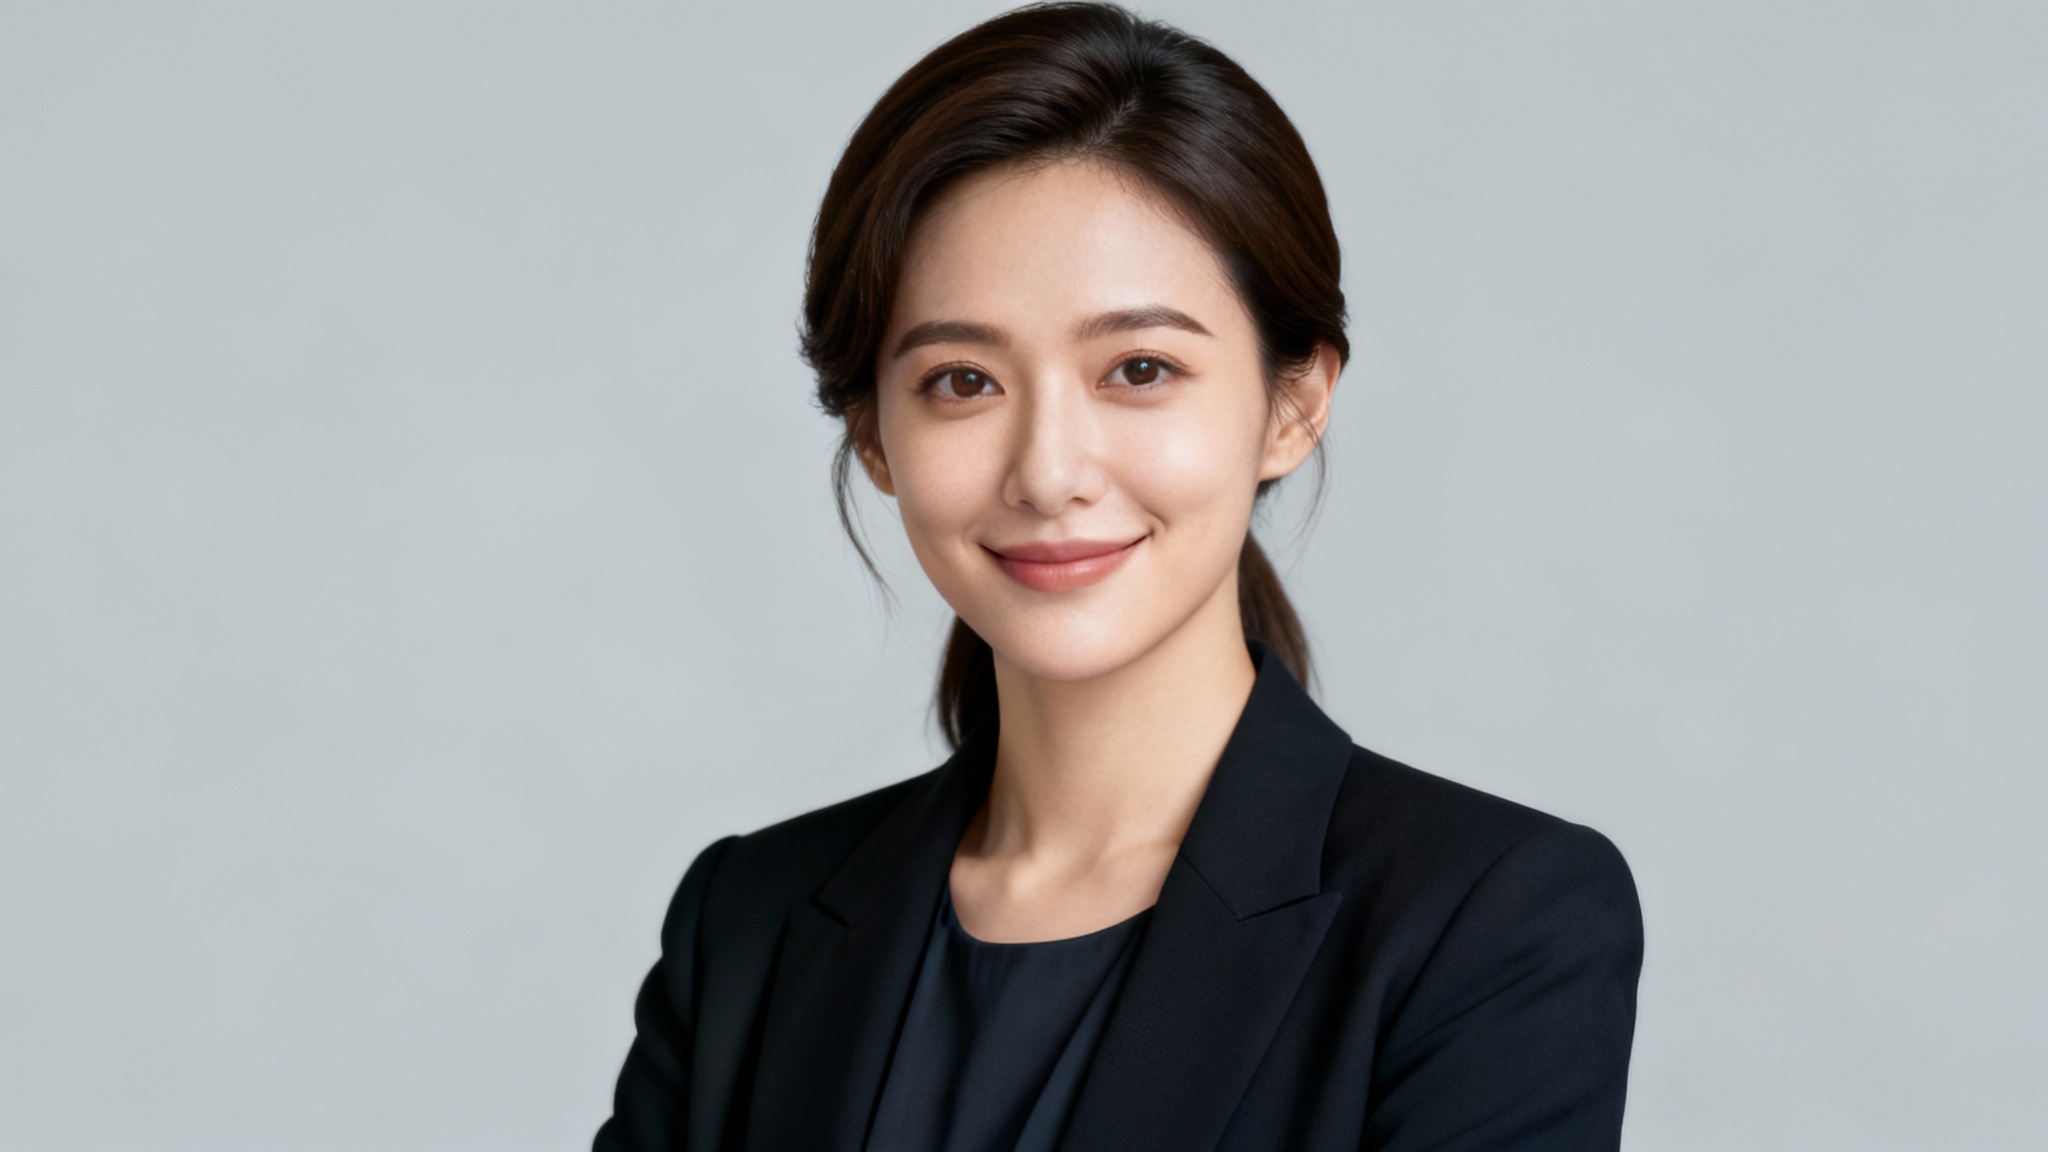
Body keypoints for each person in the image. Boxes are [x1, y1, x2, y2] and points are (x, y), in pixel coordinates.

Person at [596, 5, 1643, 1150]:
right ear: (874, 437)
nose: (1047, 473)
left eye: (1138, 369)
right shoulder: (746, 922)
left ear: (1292, 405)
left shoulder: (1486, 920)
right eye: (960, 381)